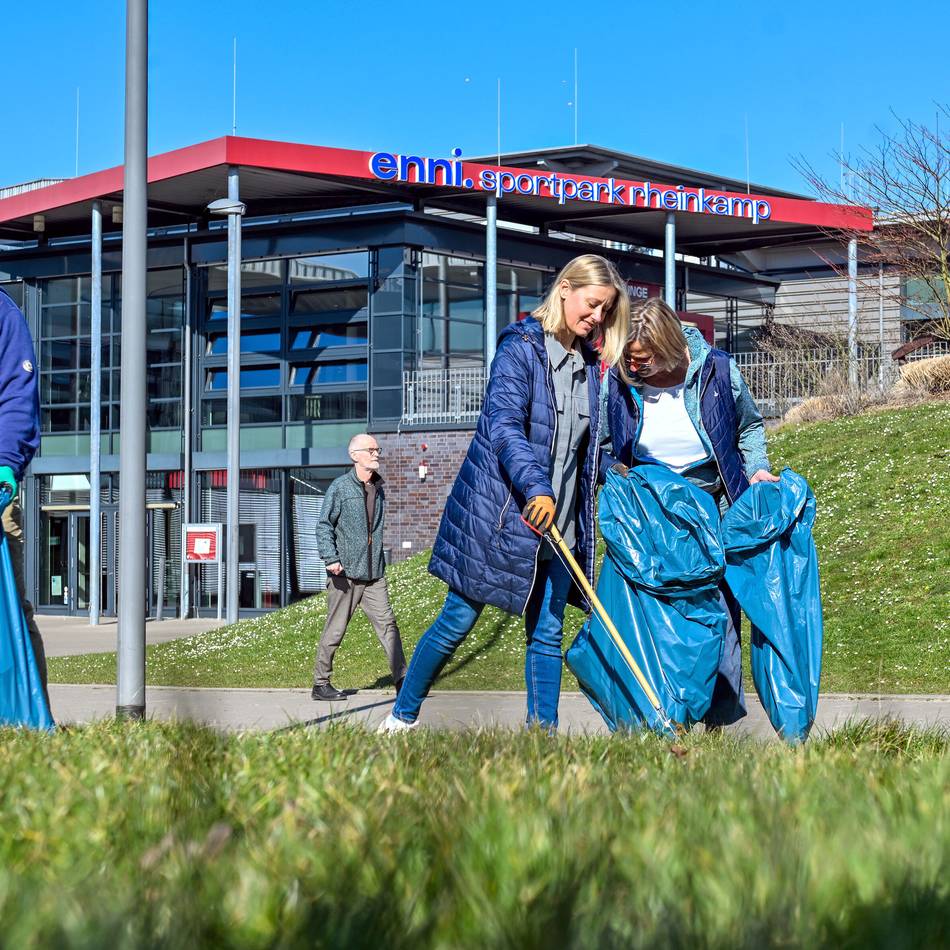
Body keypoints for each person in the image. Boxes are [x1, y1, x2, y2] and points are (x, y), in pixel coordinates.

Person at [379, 253, 629, 732]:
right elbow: (505, 426)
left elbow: (589, 449)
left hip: (561, 524)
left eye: (605, 312)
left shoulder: (591, 368)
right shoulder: (520, 349)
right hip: (503, 516)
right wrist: (537, 487)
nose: (597, 319)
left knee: (548, 633)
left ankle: (541, 740)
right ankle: (401, 719)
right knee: (457, 620)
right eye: (593, 305)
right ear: (565, 288)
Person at [601, 297, 779, 727]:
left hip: (714, 509)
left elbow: (749, 425)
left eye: (644, 360)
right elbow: (605, 445)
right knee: (661, 620)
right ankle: (664, 718)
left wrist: (757, 469)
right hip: (652, 516)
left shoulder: (716, 369)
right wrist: (616, 477)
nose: (636, 368)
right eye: (631, 360)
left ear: (667, 347)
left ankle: (715, 722)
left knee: (717, 616)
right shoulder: (622, 382)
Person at [312, 433, 407, 701]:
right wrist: (331, 558)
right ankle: (320, 684)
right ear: (355, 455)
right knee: (336, 629)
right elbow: (323, 526)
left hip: (374, 574)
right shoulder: (340, 488)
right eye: (371, 449)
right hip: (344, 574)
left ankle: (402, 679)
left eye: (378, 449)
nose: (377, 453)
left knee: (389, 625)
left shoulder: (379, 489)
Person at [0, 287, 47, 712]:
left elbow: (17, 395)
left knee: (10, 607)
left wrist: (4, 465)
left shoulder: (1, 313)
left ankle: (31, 716)